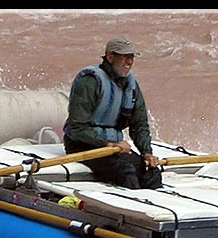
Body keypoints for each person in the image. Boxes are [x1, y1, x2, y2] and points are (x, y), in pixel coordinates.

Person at [62, 37, 162, 190]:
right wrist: (108, 144)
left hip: (114, 148)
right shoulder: (90, 82)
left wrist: (147, 152)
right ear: (110, 57)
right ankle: (131, 203)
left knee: (151, 172)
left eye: (131, 57)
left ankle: (155, 202)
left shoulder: (131, 86)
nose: (129, 62)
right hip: (83, 145)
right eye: (124, 57)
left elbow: (139, 125)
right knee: (126, 172)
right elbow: (77, 128)